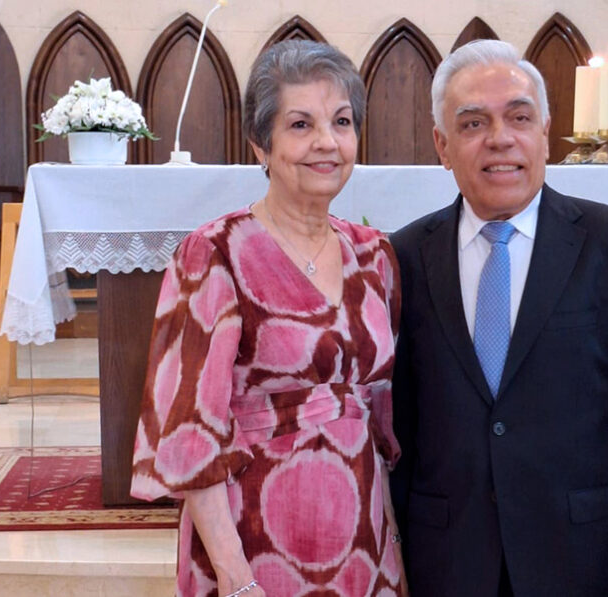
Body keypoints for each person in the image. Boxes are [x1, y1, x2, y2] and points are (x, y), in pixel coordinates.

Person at [389, 40, 608, 597]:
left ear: (545, 132)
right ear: (442, 146)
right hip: (446, 563)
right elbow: (401, 427)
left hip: (578, 560)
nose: (500, 138)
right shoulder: (406, 256)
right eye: (473, 123)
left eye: (519, 117)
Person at [131, 40, 405, 597]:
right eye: (301, 124)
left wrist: (392, 543)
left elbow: (381, 418)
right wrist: (236, 578)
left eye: (342, 122)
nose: (327, 142)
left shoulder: (374, 254)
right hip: (255, 538)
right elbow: (188, 431)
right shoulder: (215, 253)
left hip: (363, 538)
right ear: (261, 144)